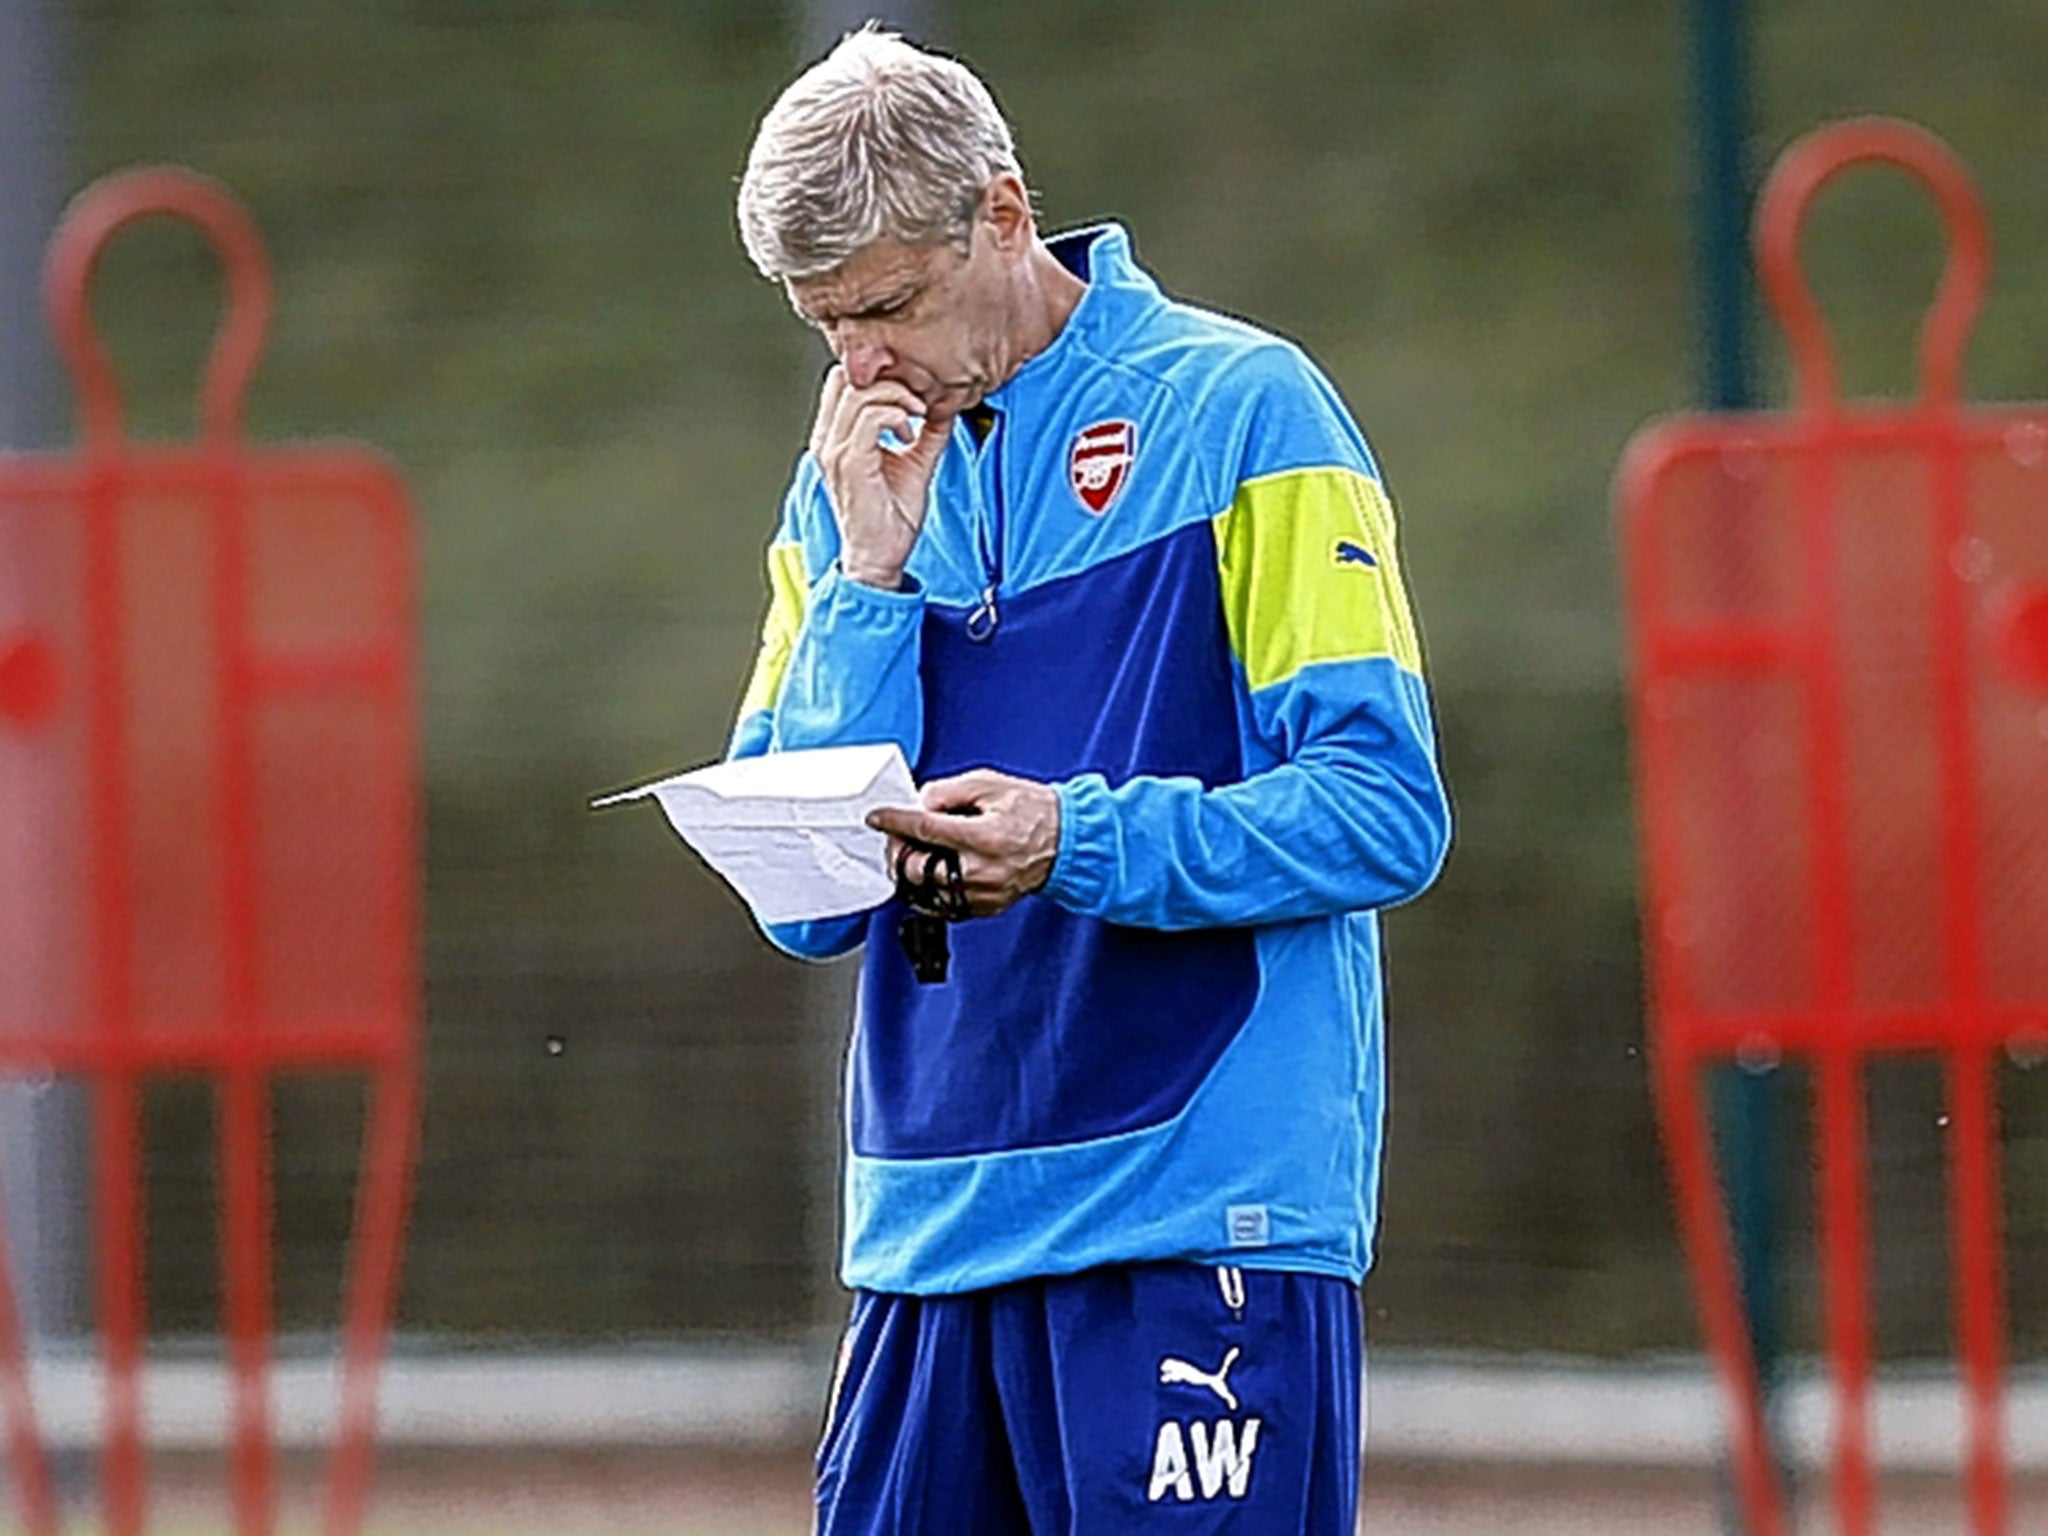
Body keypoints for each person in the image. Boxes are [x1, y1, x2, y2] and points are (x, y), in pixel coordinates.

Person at [726, 26, 1450, 1535]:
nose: (862, 364)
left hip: (1198, 1218)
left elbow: (1385, 808)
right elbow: (800, 904)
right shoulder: (844, 474)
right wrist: (869, 576)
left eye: (888, 308)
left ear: (1002, 212)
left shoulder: (1250, 411)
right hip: (926, 1241)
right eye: (824, 328)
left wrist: (1077, 839)